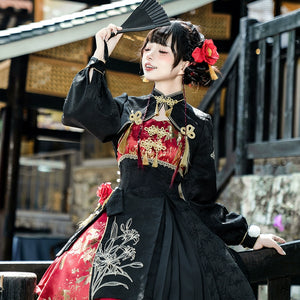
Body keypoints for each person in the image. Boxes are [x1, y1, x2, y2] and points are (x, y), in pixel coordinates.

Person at [36, 20, 286, 300]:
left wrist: (248, 237)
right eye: (147, 49)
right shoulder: (127, 108)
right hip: (119, 229)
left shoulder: (198, 123)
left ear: (184, 65)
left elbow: (201, 200)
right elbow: (79, 110)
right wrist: (100, 55)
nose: (149, 56)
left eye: (162, 51)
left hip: (172, 235)